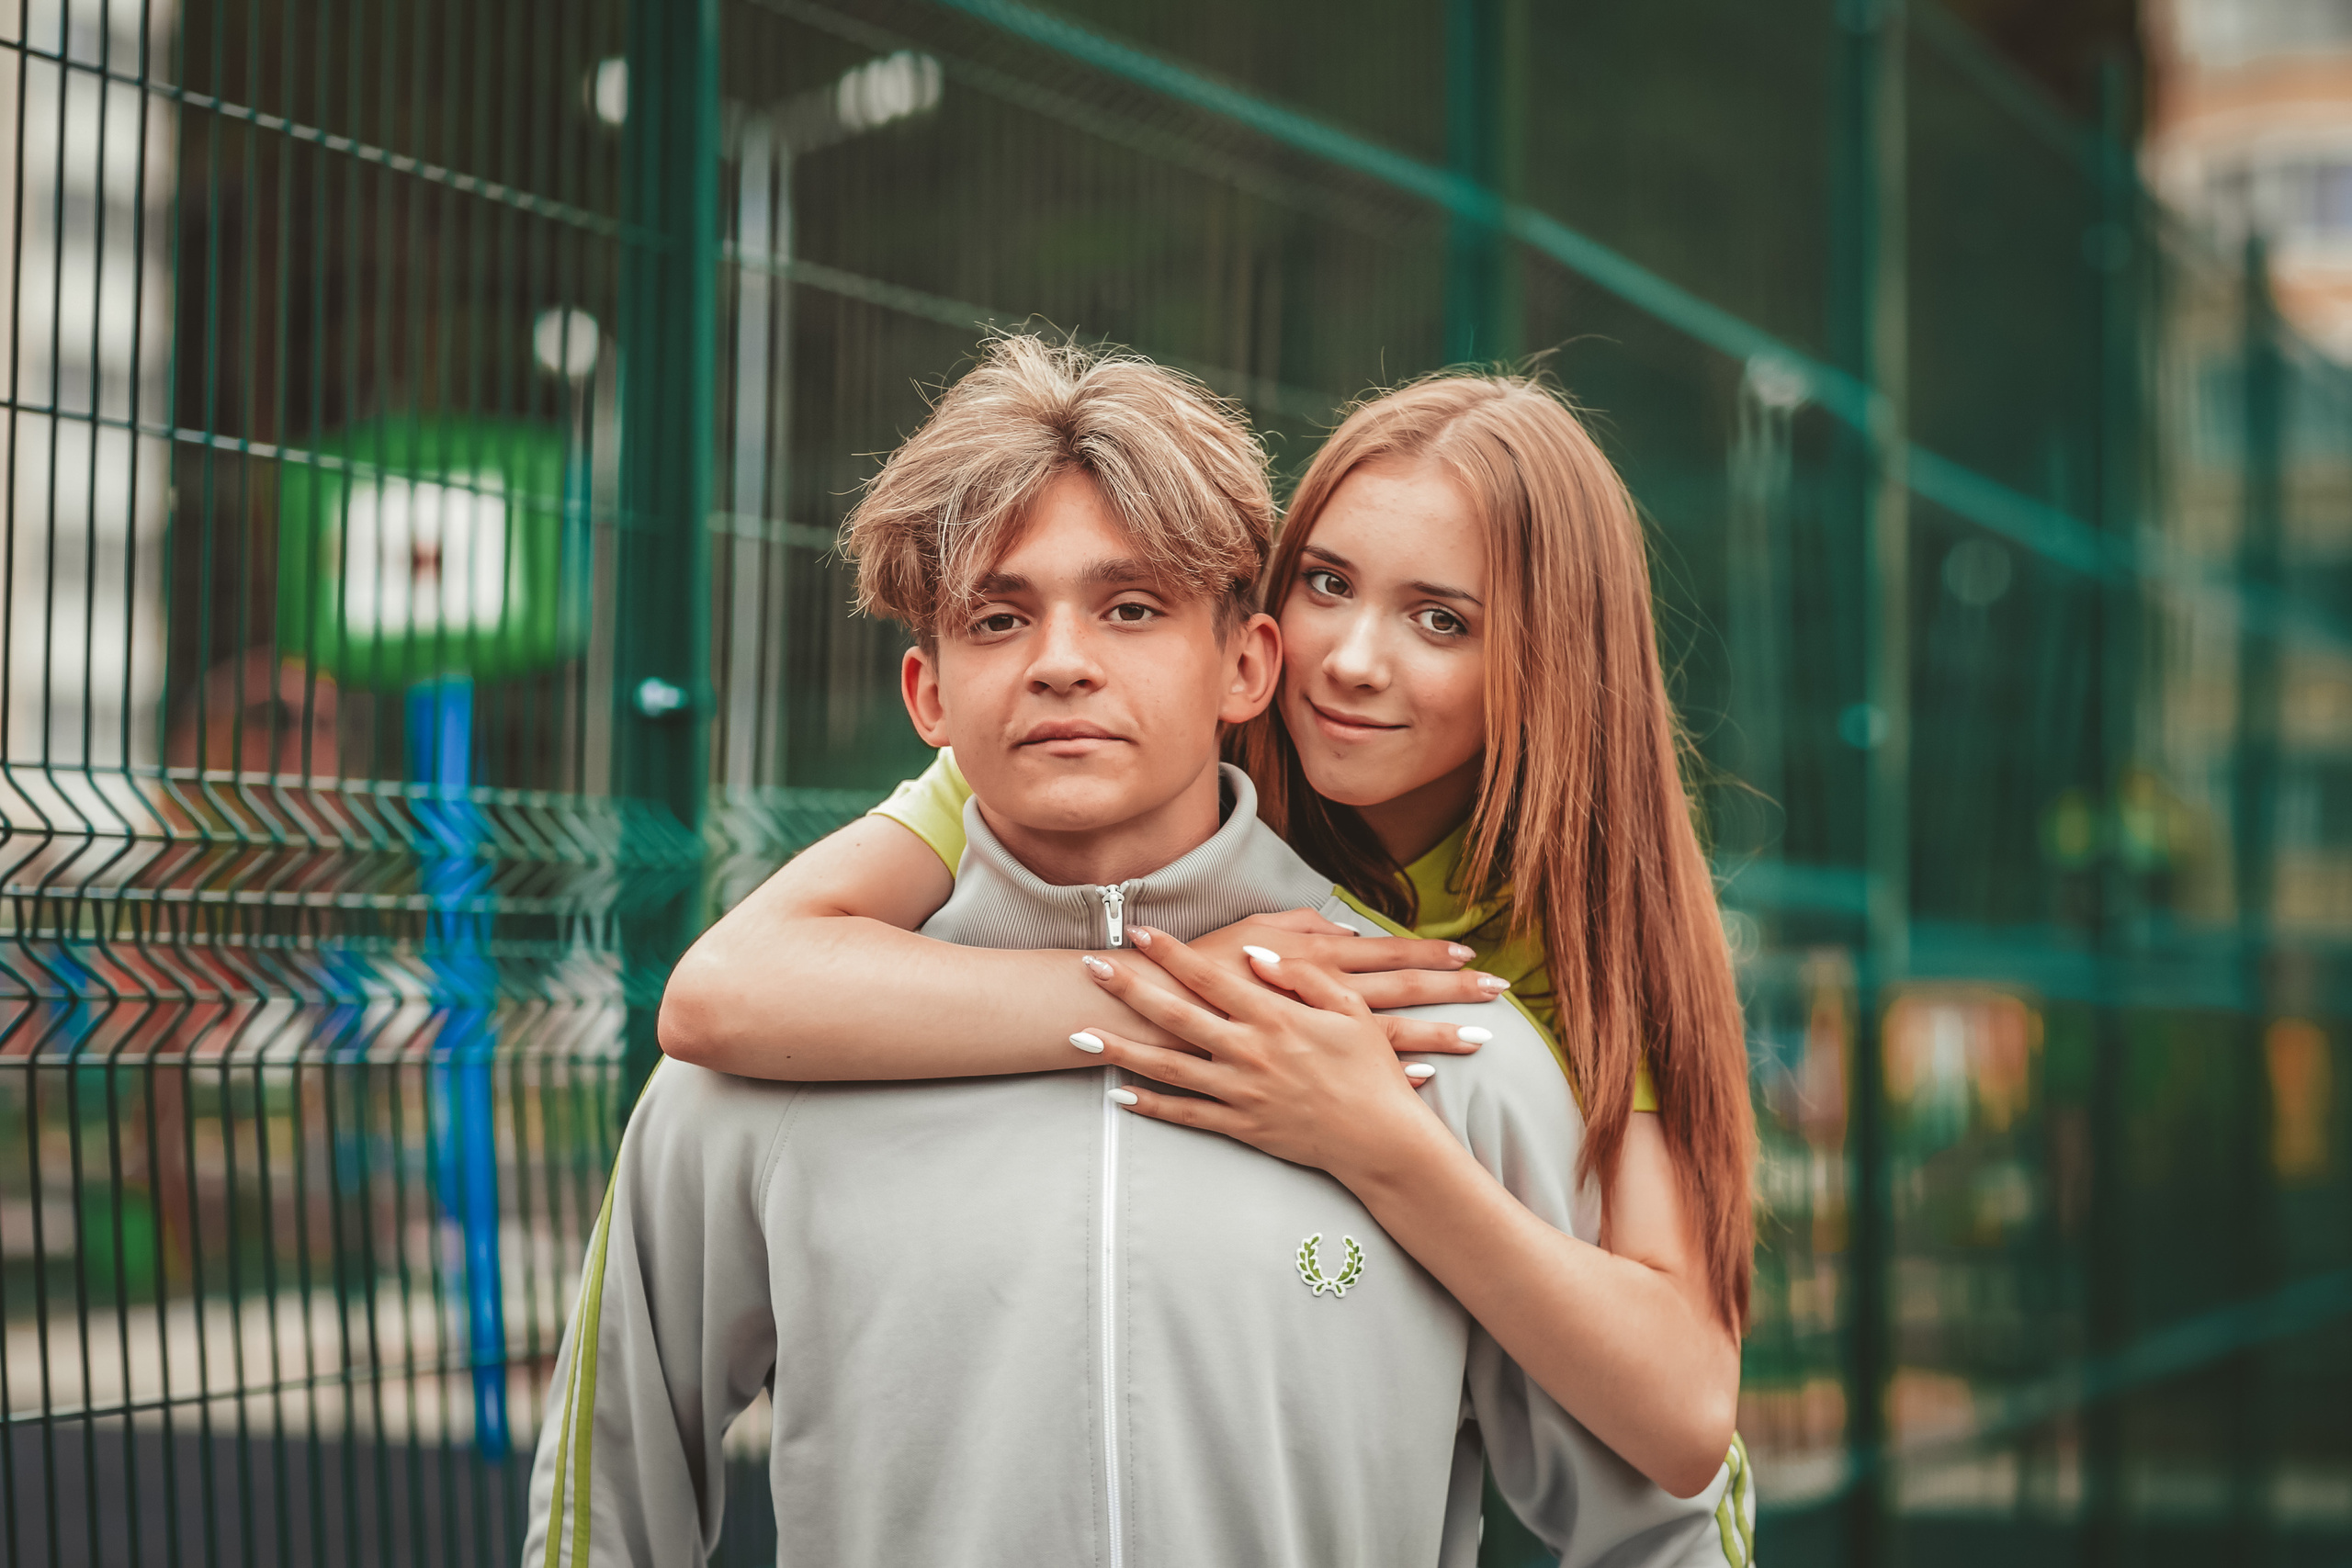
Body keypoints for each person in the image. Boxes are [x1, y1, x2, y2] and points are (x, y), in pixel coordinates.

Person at [531, 335, 1745, 1566]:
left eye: (1130, 606)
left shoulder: (1478, 1040)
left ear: (1240, 662)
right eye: (999, 617)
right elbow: (716, 1000)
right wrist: (1175, 992)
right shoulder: (770, 1067)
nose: (1063, 659)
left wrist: (1388, 1145)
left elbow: (1678, 1473)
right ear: (931, 699)